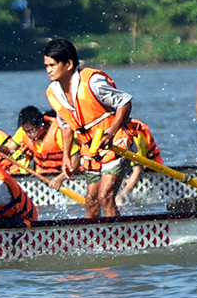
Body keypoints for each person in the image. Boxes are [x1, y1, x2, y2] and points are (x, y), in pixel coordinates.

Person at [43, 37, 133, 219]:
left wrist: (111, 132)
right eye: (46, 66)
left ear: (68, 64)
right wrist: (66, 157)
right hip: (89, 151)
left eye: (52, 65)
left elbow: (124, 103)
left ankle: (118, 243)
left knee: (105, 197)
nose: (48, 70)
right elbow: (66, 125)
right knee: (91, 201)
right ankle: (93, 244)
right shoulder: (52, 93)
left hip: (115, 144)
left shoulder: (92, 81)